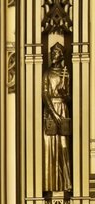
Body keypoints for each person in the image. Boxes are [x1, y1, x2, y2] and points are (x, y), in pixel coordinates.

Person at [42, 42, 72, 192]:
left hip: (63, 109)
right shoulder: (47, 73)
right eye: (52, 52)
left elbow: (69, 97)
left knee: (64, 146)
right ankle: (50, 185)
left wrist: (64, 93)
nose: (53, 55)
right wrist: (54, 114)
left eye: (56, 52)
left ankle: (66, 183)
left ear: (61, 55)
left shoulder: (66, 73)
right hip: (51, 112)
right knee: (49, 147)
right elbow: (45, 94)